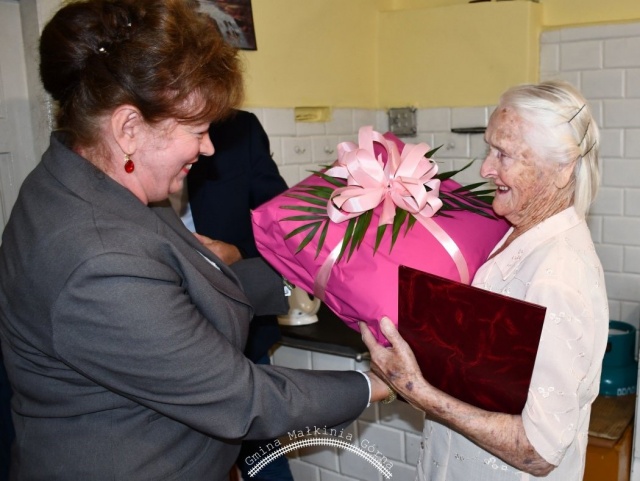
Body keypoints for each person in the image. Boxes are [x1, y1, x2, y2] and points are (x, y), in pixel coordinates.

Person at [0, 1, 392, 479]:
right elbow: (243, 400)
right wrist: (377, 384)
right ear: (128, 128)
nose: (208, 148)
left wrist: (318, 272)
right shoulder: (99, 256)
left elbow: (188, 287)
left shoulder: (86, 182)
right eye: (198, 130)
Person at [361, 80, 608, 481]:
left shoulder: (557, 276)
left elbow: (539, 452)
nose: (485, 169)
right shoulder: (514, 230)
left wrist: (416, 389)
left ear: (563, 169)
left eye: (503, 154)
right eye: (489, 149)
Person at [170, 109, 294, 480]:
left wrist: (238, 253)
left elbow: (283, 222)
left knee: (265, 457)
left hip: (240, 326)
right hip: (162, 331)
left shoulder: (239, 129)